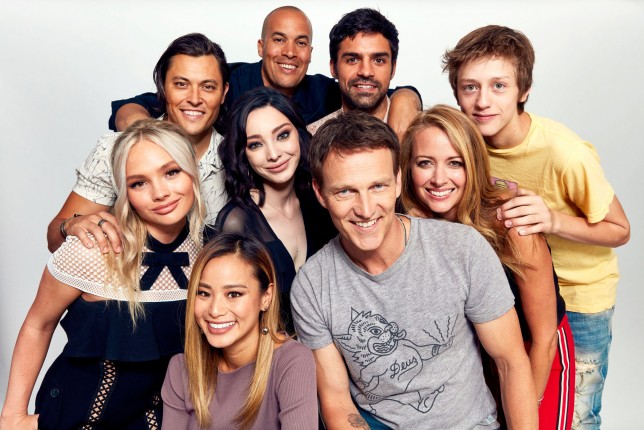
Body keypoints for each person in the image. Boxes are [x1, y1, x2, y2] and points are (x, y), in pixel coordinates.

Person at [290, 111, 538, 429]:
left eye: (377, 186)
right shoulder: (311, 286)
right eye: (345, 191)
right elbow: (336, 401)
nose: (365, 209)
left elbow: (510, 363)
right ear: (319, 192)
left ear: (397, 182)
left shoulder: (462, 248)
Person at [443, 25, 630, 429]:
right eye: (470, 87)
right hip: (516, 293)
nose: (483, 101)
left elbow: (620, 229)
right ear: (456, 92)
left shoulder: (563, 151)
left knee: (577, 412)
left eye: (498, 86)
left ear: (523, 90)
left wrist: (553, 220)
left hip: (579, 297)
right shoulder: (466, 147)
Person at [0, 120, 204, 429]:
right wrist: (12, 416)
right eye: (139, 183)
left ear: (192, 172)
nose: (160, 192)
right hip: (73, 420)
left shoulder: (210, 252)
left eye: (171, 172)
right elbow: (38, 325)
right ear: (124, 192)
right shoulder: (91, 248)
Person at [400, 105, 575, 429]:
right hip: (481, 357)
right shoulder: (410, 226)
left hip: (538, 351)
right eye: (425, 163)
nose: (439, 178)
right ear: (408, 168)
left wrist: (524, 410)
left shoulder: (512, 224)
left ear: (474, 165)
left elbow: (544, 338)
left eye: (455, 163)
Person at [109, 6, 421, 139]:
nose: (290, 52)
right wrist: (142, 134)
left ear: (311, 54)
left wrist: (407, 97)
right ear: (261, 46)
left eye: (300, 43)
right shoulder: (228, 81)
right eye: (279, 40)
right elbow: (150, 103)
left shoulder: (323, 91)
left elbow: (369, 90)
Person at [46, 33, 230, 253]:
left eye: (208, 87)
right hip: (124, 273)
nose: (194, 98)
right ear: (163, 88)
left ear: (224, 93)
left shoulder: (237, 158)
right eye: (181, 84)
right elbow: (54, 240)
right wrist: (70, 225)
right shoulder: (113, 150)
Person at [161, 232, 318, 429]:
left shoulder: (290, 360)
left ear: (266, 297)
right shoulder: (181, 369)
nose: (215, 310)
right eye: (203, 293)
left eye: (234, 294)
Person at [212, 87, 335, 333]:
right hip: (271, 352)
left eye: (282, 135)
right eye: (256, 144)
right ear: (243, 155)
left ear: (299, 134)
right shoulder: (237, 221)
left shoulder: (320, 203)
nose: (274, 154)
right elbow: (230, 311)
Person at [307, 8, 411, 135]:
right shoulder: (311, 138)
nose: (366, 72)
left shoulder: (420, 134)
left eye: (378, 60)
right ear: (333, 68)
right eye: (353, 60)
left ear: (393, 68)